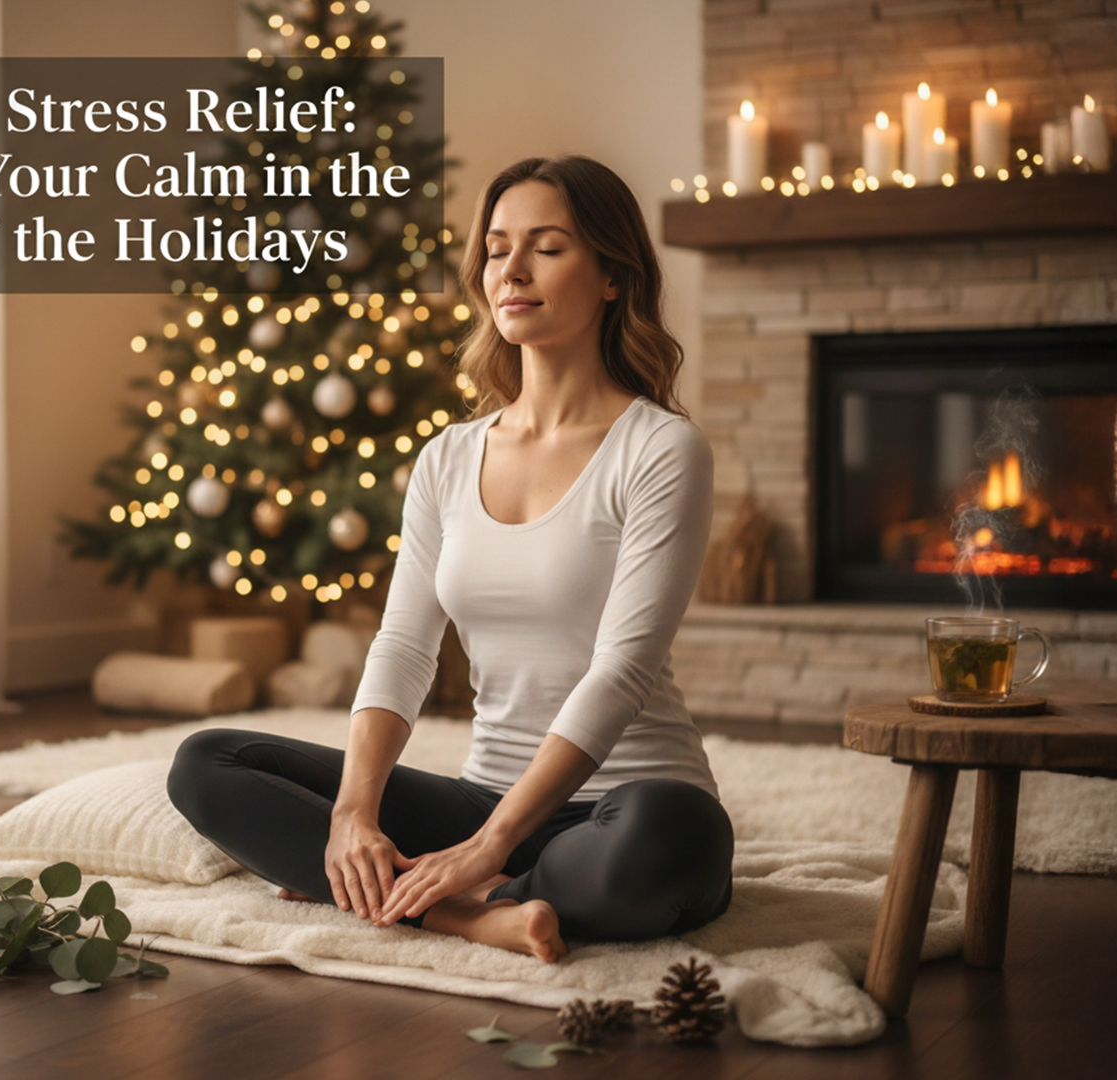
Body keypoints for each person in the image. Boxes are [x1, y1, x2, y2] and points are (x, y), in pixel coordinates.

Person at [169, 155, 731, 962]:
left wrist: (488, 847)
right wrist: (352, 816)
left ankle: (443, 890)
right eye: (498, 249)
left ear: (613, 276)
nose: (513, 270)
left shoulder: (661, 448)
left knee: (669, 836)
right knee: (208, 763)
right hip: (482, 796)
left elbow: (623, 670)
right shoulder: (449, 456)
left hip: (621, 806)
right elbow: (404, 645)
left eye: (547, 247)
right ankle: (470, 915)